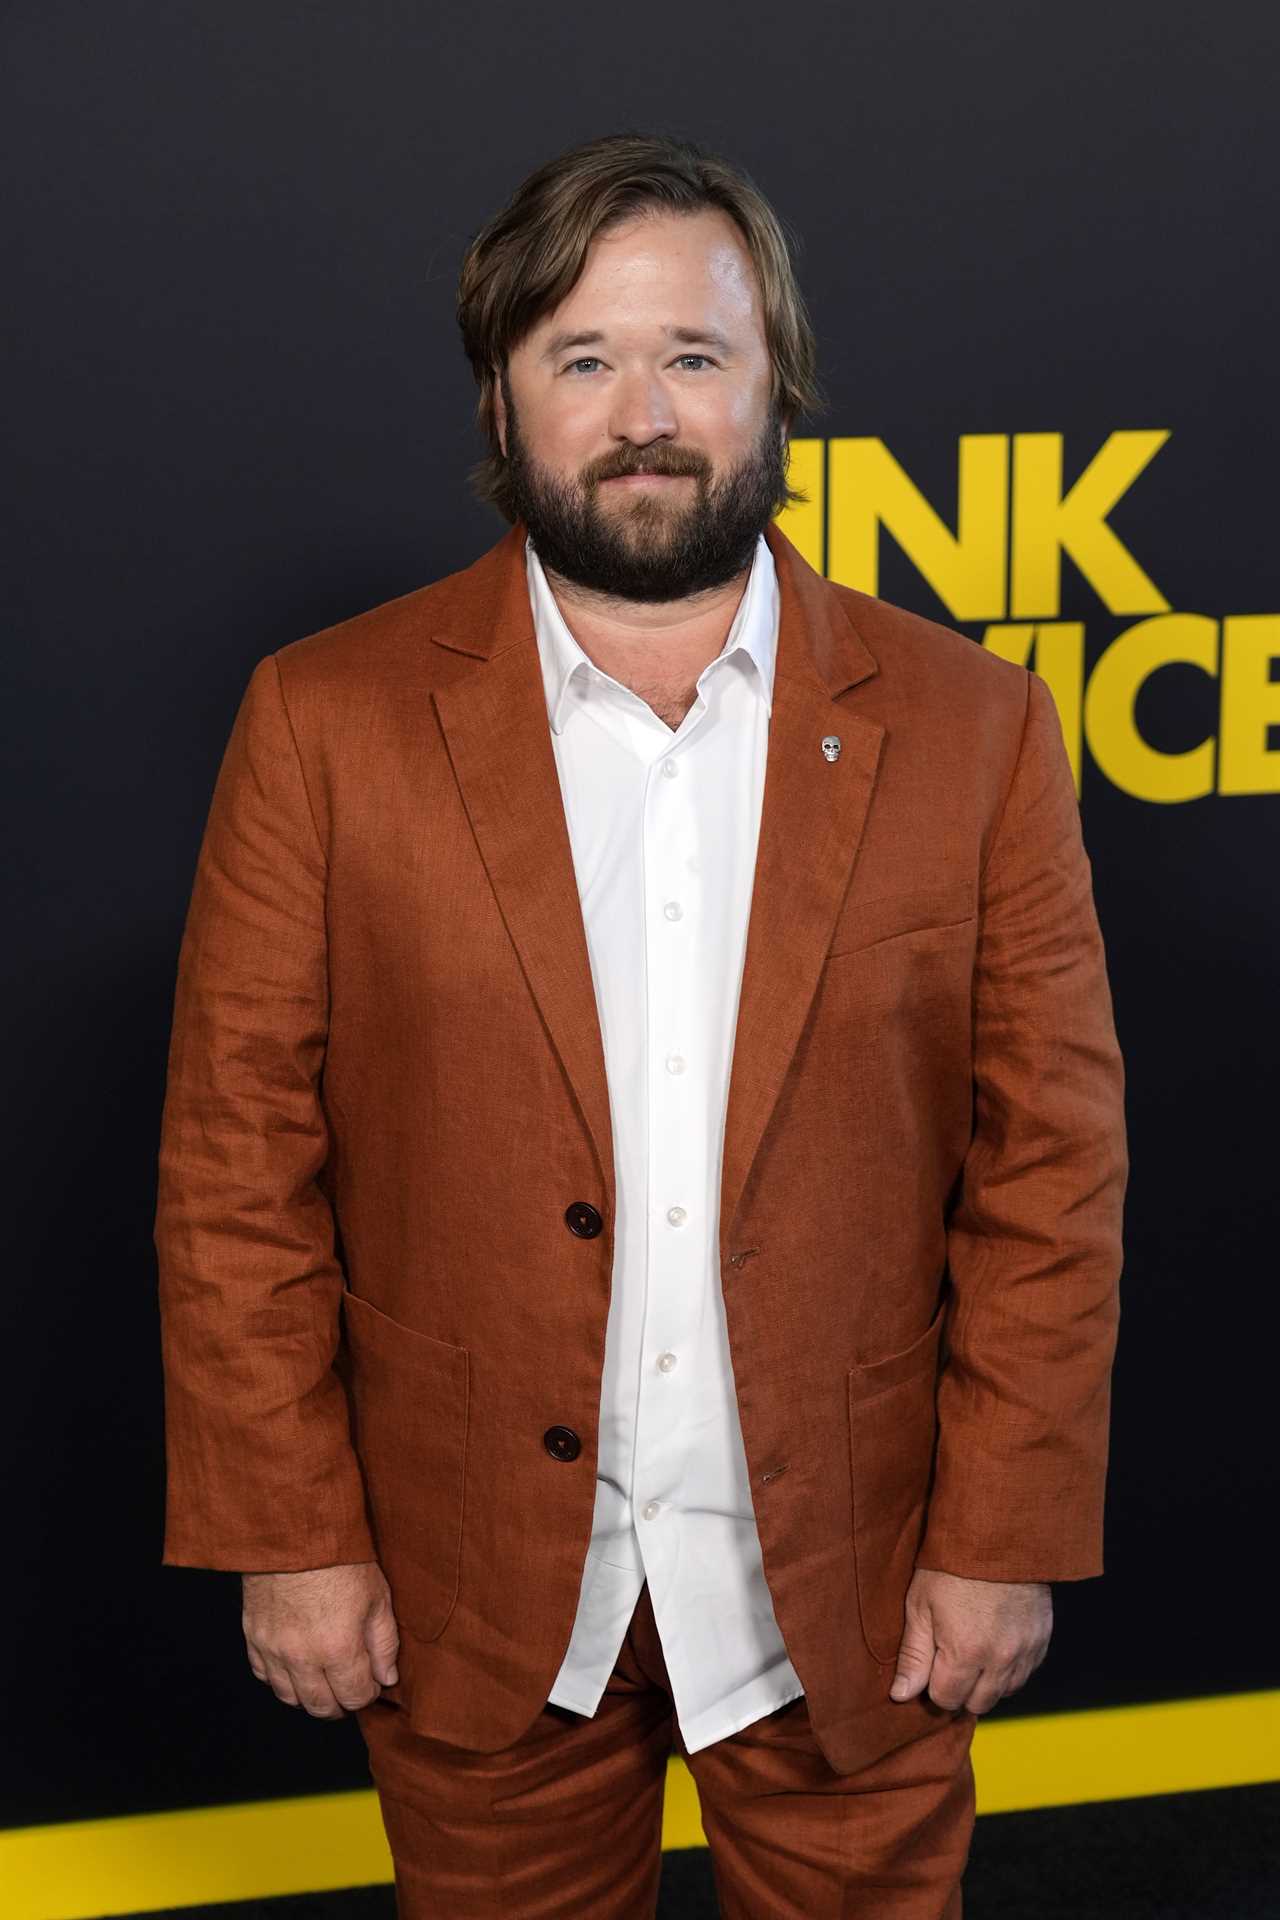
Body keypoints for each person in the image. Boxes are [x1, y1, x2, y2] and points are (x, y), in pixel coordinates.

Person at [154, 130, 1127, 1918]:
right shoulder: (324, 722)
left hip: (860, 1586)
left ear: (778, 387)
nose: (644, 411)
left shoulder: (974, 729)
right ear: (504, 396)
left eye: (695, 355)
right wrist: (290, 1536)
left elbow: (1051, 1177)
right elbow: (237, 1167)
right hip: (475, 1598)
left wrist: (1002, 1542)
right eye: (583, 359)